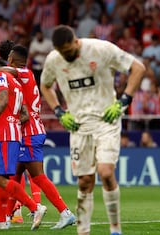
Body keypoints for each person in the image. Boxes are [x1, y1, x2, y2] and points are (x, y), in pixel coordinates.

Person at [39, 25, 145, 235]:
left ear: (76, 41)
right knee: (85, 181)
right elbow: (45, 85)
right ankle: (83, 231)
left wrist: (124, 100)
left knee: (106, 172)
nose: (66, 55)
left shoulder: (101, 49)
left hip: (107, 120)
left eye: (69, 51)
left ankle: (115, 228)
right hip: (79, 125)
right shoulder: (53, 60)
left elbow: (138, 68)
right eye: (62, 52)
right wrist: (60, 112)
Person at [0, 45, 76, 229]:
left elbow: (2, 71)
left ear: (12, 59)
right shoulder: (22, 77)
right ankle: (4, 219)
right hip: (26, 130)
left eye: (8, 58)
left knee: (37, 176)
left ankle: (62, 212)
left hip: (29, 131)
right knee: (12, 176)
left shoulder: (23, 73)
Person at [0, 57, 47, 230]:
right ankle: (2, 220)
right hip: (12, 134)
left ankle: (35, 207)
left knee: (0, 179)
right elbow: (24, 114)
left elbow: (2, 100)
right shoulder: (16, 84)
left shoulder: (0, 77)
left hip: (4, 135)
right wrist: (12, 121)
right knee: (2, 177)